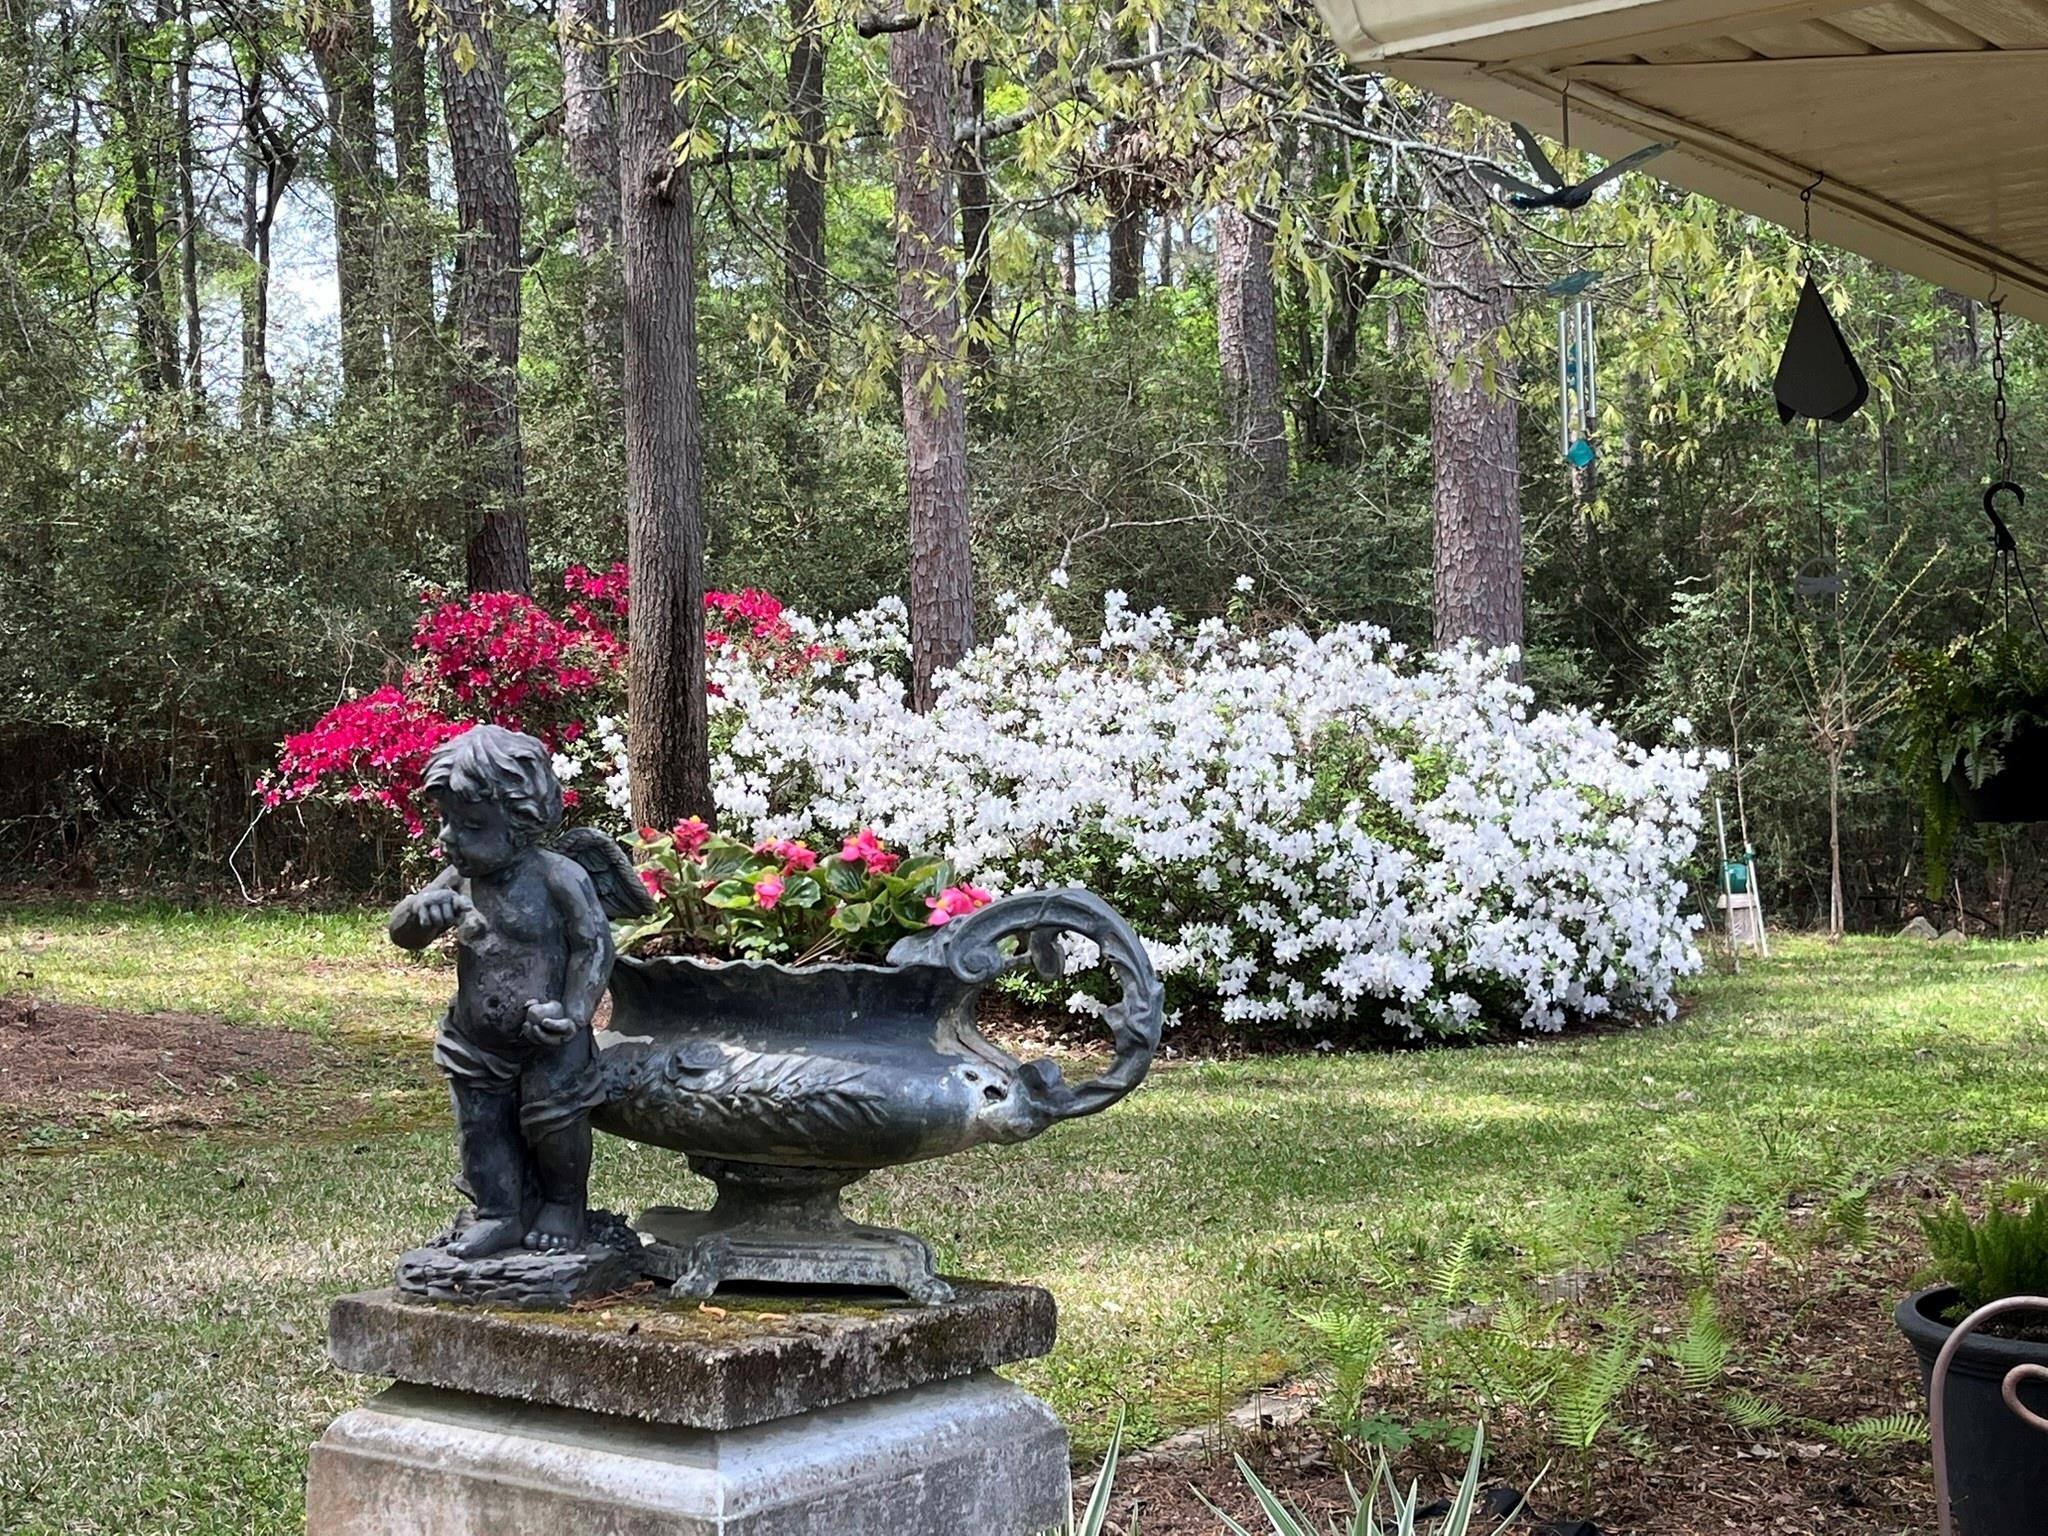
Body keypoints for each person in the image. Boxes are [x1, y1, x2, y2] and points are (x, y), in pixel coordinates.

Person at [388, 725, 612, 1258]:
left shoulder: (559, 877)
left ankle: (563, 1204)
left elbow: (594, 947)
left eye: (470, 826)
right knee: (481, 1129)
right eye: (445, 821)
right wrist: (418, 914)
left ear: (521, 821)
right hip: (476, 1041)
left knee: (556, 1124)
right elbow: (404, 935)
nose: (449, 838)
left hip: (550, 1037)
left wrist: (574, 1012)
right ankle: (498, 1213)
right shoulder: (458, 878)